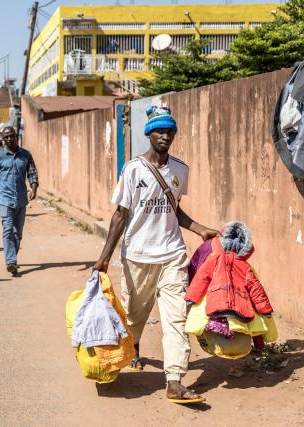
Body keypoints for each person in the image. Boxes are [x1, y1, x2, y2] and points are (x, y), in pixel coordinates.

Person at [92, 106, 218, 404]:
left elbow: (173, 208)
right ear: (149, 134)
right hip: (137, 256)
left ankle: (174, 381)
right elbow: (120, 215)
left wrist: (199, 229)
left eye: (169, 131)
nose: (165, 135)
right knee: (135, 314)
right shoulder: (133, 169)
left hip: (172, 255)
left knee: (175, 319)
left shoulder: (180, 170)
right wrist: (104, 257)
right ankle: (134, 346)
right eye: (159, 131)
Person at [0, 126, 38, 276]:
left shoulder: (26, 155)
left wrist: (34, 189)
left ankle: (12, 257)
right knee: (8, 229)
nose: (9, 139)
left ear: (16, 137)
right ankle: (11, 261)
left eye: (12, 136)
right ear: (3, 139)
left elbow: (33, 173)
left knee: (18, 233)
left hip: (22, 199)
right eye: (6, 137)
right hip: (5, 199)